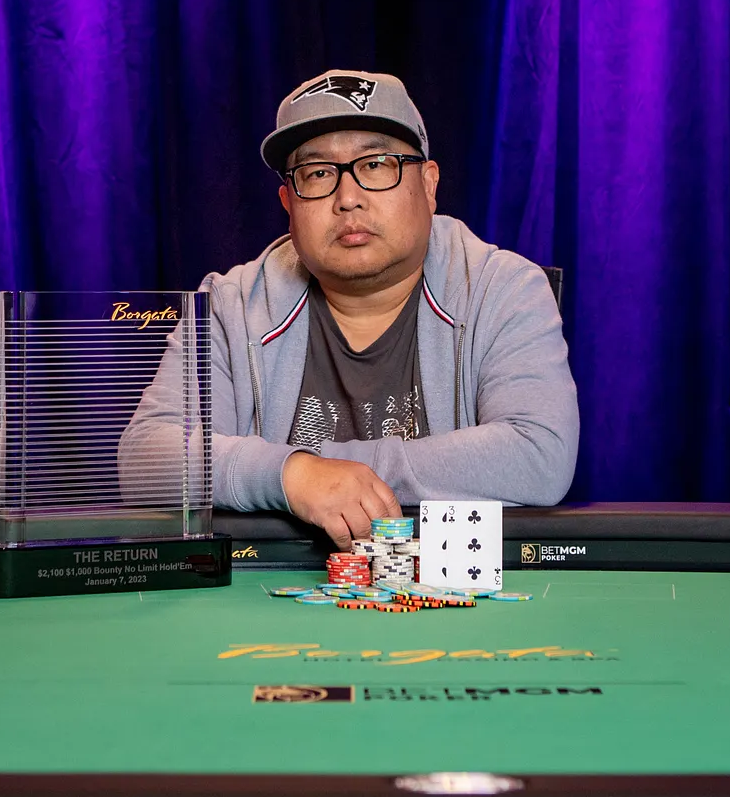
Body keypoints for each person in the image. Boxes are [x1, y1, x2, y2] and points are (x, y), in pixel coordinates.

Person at [123, 70, 577, 548]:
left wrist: (334, 473)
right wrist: (292, 476)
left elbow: (538, 454)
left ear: (428, 184)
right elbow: (144, 460)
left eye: (376, 164)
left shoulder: (501, 288)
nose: (348, 199)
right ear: (288, 203)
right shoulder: (230, 304)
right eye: (318, 173)